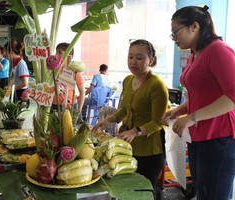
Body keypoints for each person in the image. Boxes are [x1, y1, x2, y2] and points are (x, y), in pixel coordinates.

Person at [163, 5, 235, 200]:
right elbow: (199, 94)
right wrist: (179, 111)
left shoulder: (218, 50)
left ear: (194, 26)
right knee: (203, 192)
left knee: (213, 194)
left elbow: (233, 95)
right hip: (199, 135)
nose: (174, 38)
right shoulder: (195, 55)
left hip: (219, 136)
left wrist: (192, 118)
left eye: (175, 31)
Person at [92, 39, 169, 190]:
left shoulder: (157, 85)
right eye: (130, 57)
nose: (133, 61)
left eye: (139, 58)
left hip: (150, 150)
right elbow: (125, 109)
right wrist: (107, 120)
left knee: (143, 191)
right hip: (127, 147)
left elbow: (158, 121)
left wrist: (136, 131)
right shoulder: (128, 81)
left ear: (150, 60)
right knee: (126, 188)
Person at [51, 43, 85, 113]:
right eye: (56, 52)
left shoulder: (75, 72)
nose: (56, 55)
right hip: (53, 105)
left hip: (70, 106)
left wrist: (79, 110)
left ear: (69, 56)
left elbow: (82, 92)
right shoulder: (52, 70)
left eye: (60, 52)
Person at [8, 41, 30, 106]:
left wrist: (12, 89)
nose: (5, 55)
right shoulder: (15, 63)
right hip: (16, 91)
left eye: (6, 53)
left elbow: (24, 83)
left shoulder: (21, 63)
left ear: (11, 52)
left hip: (21, 93)